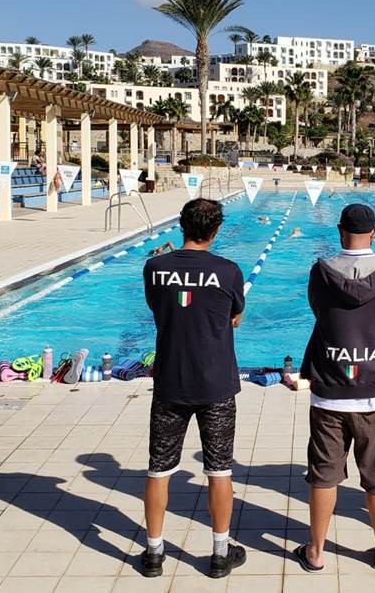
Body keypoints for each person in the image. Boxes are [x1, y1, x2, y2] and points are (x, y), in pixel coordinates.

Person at [296, 204, 375, 573]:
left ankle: (315, 552)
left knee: (324, 474)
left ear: (340, 231)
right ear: (374, 232)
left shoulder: (320, 272)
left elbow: (317, 310)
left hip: (329, 391)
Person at [141, 198, 247, 579]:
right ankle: (220, 554)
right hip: (216, 383)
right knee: (219, 471)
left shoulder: (154, 268)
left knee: (159, 469)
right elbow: (235, 316)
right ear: (215, 230)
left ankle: (154, 553)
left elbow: (159, 310)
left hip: (170, 381)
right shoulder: (228, 271)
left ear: (181, 225)